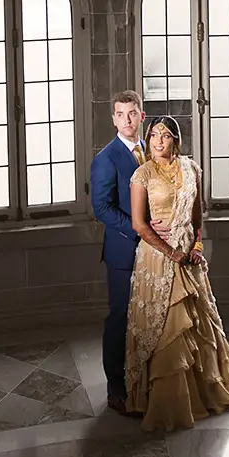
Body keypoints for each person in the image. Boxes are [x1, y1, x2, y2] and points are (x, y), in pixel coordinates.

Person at [124, 115, 229, 432]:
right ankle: (166, 403)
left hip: (190, 256)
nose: (158, 140)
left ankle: (202, 394)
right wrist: (170, 251)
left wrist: (198, 246)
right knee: (168, 330)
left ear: (176, 139)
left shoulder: (191, 169)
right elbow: (139, 224)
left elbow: (199, 215)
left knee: (198, 325)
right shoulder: (142, 174)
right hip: (158, 260)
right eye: (154, 135)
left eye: (165, 135)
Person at [89, 90, 160, 416]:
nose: (128, 120)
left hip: (154, 251)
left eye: (133, 113)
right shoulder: (105, 158)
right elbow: (101, 207)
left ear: (142, 116)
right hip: (123, 252)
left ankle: (144, 384)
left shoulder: (152, 152)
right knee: (119, 319)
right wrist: (140, 228)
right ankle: (115, 391)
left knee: (149, 319)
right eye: (121, 114)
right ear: (114, 119)